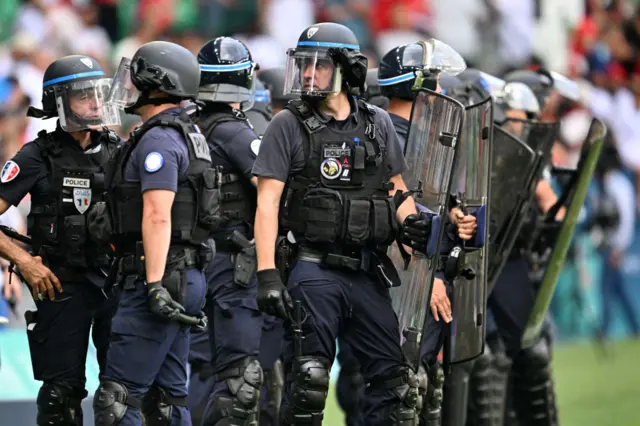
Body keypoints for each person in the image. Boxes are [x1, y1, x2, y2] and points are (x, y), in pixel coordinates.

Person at [252, 24, 474, 425]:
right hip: (313, 268)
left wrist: (413, 224)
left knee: (398, 385)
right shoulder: (287, 124)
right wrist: (267, 274)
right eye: (303, 65)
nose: (306, 74)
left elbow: (395, 189)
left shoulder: (378, 122)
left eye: (318, 65)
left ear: (348, 69)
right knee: (309, 381)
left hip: (367, 271)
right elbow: (267, 202)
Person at [91, 41, 212, 426]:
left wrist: (155, 284)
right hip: (184, 276)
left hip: (157, 278)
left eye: (137, 76)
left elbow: (158, 215)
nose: (128, 84)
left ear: (158, 83)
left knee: (118, 402)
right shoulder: (185, 132)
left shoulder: (158, 139)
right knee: (168, 401)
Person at [0, 54, 121, 425]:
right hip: (59, 287)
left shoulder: (120, 151)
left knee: (121, 397)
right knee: (59, 400)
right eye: (84, 95)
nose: (95, 102)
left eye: (98, 93)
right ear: (59, 102)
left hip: (114, 286)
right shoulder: (36, 156)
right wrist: (23, 261)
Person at [192, 36, 265, 426]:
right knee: (240, 382)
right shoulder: (236, 132)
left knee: (194, 374)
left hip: (186, 265)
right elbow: (271, 190)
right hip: (230, 267)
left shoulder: (183, 126)